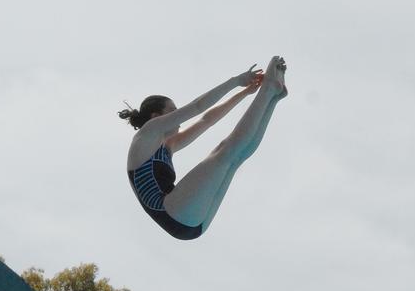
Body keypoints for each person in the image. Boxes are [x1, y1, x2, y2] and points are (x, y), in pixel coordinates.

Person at [119, 55, 288, 240]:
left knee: (237, 157)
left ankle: (272, 98)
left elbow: (207, 120)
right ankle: (269, 89)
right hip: (175, 212)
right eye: (172, 111)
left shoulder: (168, 146)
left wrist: (245, 93)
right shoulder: (147, 133)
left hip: (192, 224)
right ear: (156, 116)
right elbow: (197, 107)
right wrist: (236, 81)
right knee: (225, 151)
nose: (177, 116)